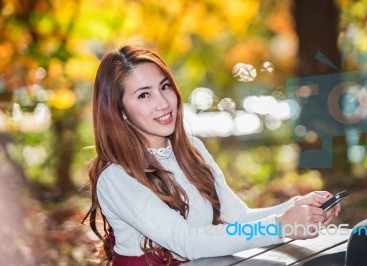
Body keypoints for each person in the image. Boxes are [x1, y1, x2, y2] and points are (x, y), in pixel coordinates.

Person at [82, 45, 341, 266]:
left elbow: (236, 218)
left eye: (165, 87)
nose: (163, 102)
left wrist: (297, 207)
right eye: (144, 95)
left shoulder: (191, 149)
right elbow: (186, 243)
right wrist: (280, 226)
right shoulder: (116, 177)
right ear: (120, 112)